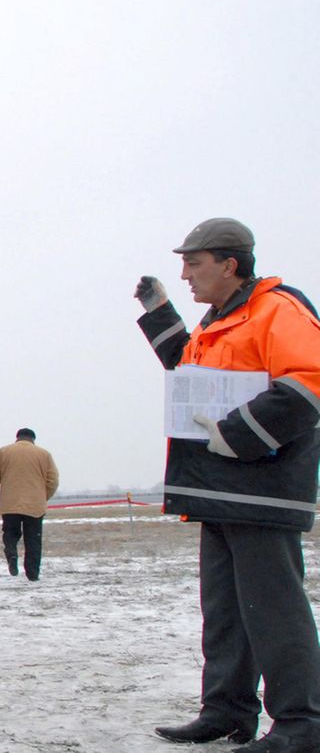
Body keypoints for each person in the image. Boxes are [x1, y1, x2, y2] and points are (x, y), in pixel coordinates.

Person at [135, 217, 320, 752]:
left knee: (274, 612)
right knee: (227, 612)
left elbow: (309, 382)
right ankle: (227, 711)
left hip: (260, 490)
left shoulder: (278, 309)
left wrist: (237, 435)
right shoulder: (223, 320)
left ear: (229, 264)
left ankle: (302, 724)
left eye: (194, 263)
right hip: (220, 490)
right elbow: (191, 375)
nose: (187, 274)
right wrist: (160, 314)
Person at [0, 427, 59, 581]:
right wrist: (42, 498)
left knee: (10, 533)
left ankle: (11, 554)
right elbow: (53, 481)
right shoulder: (44, 455)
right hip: (35, 506)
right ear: (33, 439)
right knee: (33, 540)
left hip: (10, 504)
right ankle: (32, 574)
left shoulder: (4, 452)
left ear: (17, 438)